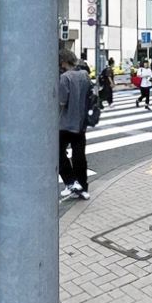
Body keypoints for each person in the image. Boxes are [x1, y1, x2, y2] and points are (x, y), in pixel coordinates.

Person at [59, 49, 91, 201]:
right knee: (79, 156)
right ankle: (83, 187)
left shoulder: (65, 78)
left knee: (58, 153)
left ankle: (71, 182)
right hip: (81, 122)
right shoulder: (84, 75)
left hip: (65, 123)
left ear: (63, 61)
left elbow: (61, 101)